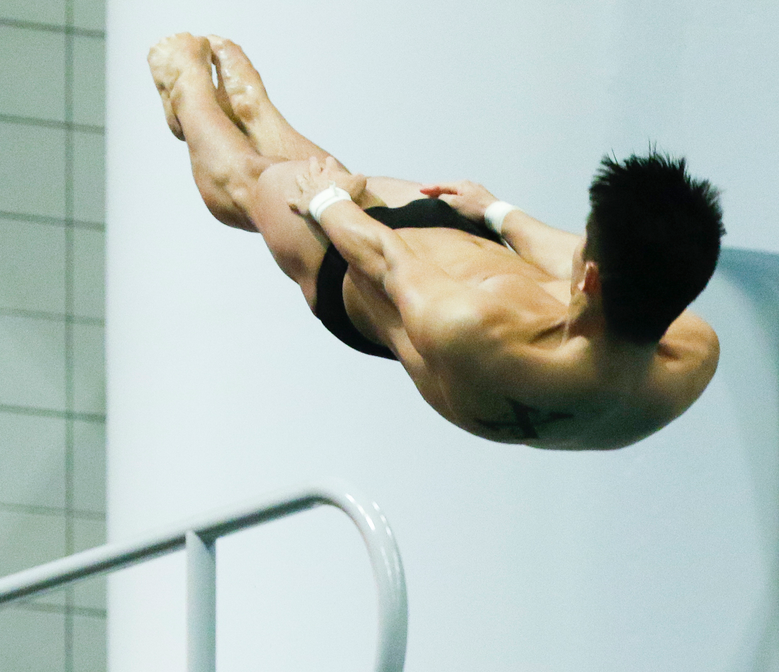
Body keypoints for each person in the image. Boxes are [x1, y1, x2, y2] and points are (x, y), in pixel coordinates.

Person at [147, 33, 724, 451]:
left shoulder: (471, 330)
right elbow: (574, 262)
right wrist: (496, 213)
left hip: (361, 281)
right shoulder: (691, 348)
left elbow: (387, 260)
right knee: (352, 188)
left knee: (255, 186)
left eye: (584, 245)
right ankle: (254, 111)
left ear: (590, 277)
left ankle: (188, 93)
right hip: (470, 256)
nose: (574, 247)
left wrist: (329, 203)